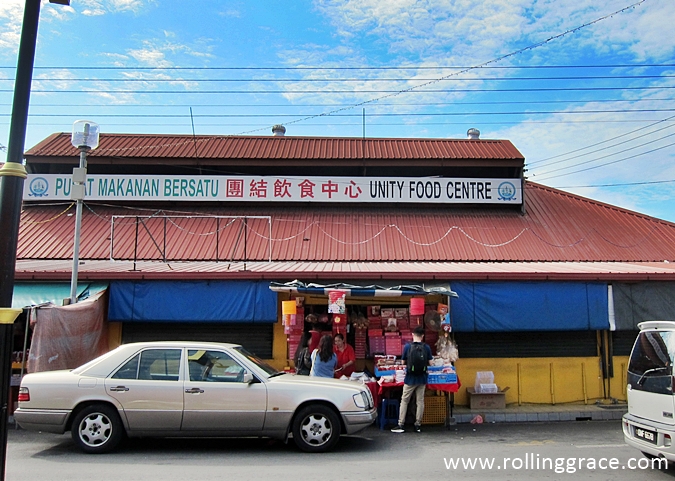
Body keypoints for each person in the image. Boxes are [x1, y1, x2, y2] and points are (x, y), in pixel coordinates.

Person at [391, 326, 433, 434]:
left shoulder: (407, 347)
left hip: (410, 378)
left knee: (405, 400)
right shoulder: (426, 347)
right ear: (422, 336)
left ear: (413, 335)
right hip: (422, 378)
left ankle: (401, 424)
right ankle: (418, 425)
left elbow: (403, 362)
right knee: (420, 402)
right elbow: (431, 363)